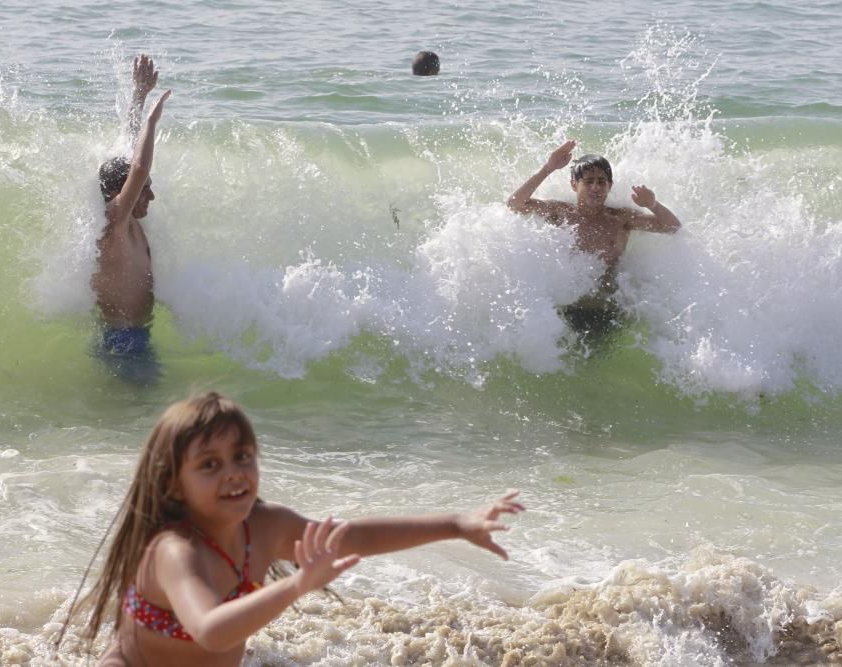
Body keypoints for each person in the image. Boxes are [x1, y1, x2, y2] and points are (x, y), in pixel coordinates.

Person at [59, 392, 524, 666]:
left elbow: (355, 537)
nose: (233, 473)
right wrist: (299, 584)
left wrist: (456, 524)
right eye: (210, 465)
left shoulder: (266, 527)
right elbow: (211, 632)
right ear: (172, 485)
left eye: (242, 456)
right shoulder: (174, 552)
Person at [507, 139, 681, 340]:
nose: (596, 187)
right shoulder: (561, 212)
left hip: (608, 311)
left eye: (601, 181)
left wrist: (653, 204)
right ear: (574, 185)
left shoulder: (621, 219)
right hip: (566, 309)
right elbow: (514, 204)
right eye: (588, 181)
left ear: (610, 185)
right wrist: (548, 168)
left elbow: (673, 228)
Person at [92, 55, 169, 384]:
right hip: (123, 342)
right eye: (143, 190)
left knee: (136, 415)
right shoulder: (115, 226)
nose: (150, 196)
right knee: (146, 410)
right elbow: (137, 168)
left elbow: (128, 145)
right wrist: (152, 122)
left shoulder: (131, 225)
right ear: (119, 196)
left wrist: (139, 95)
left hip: (135, 337)